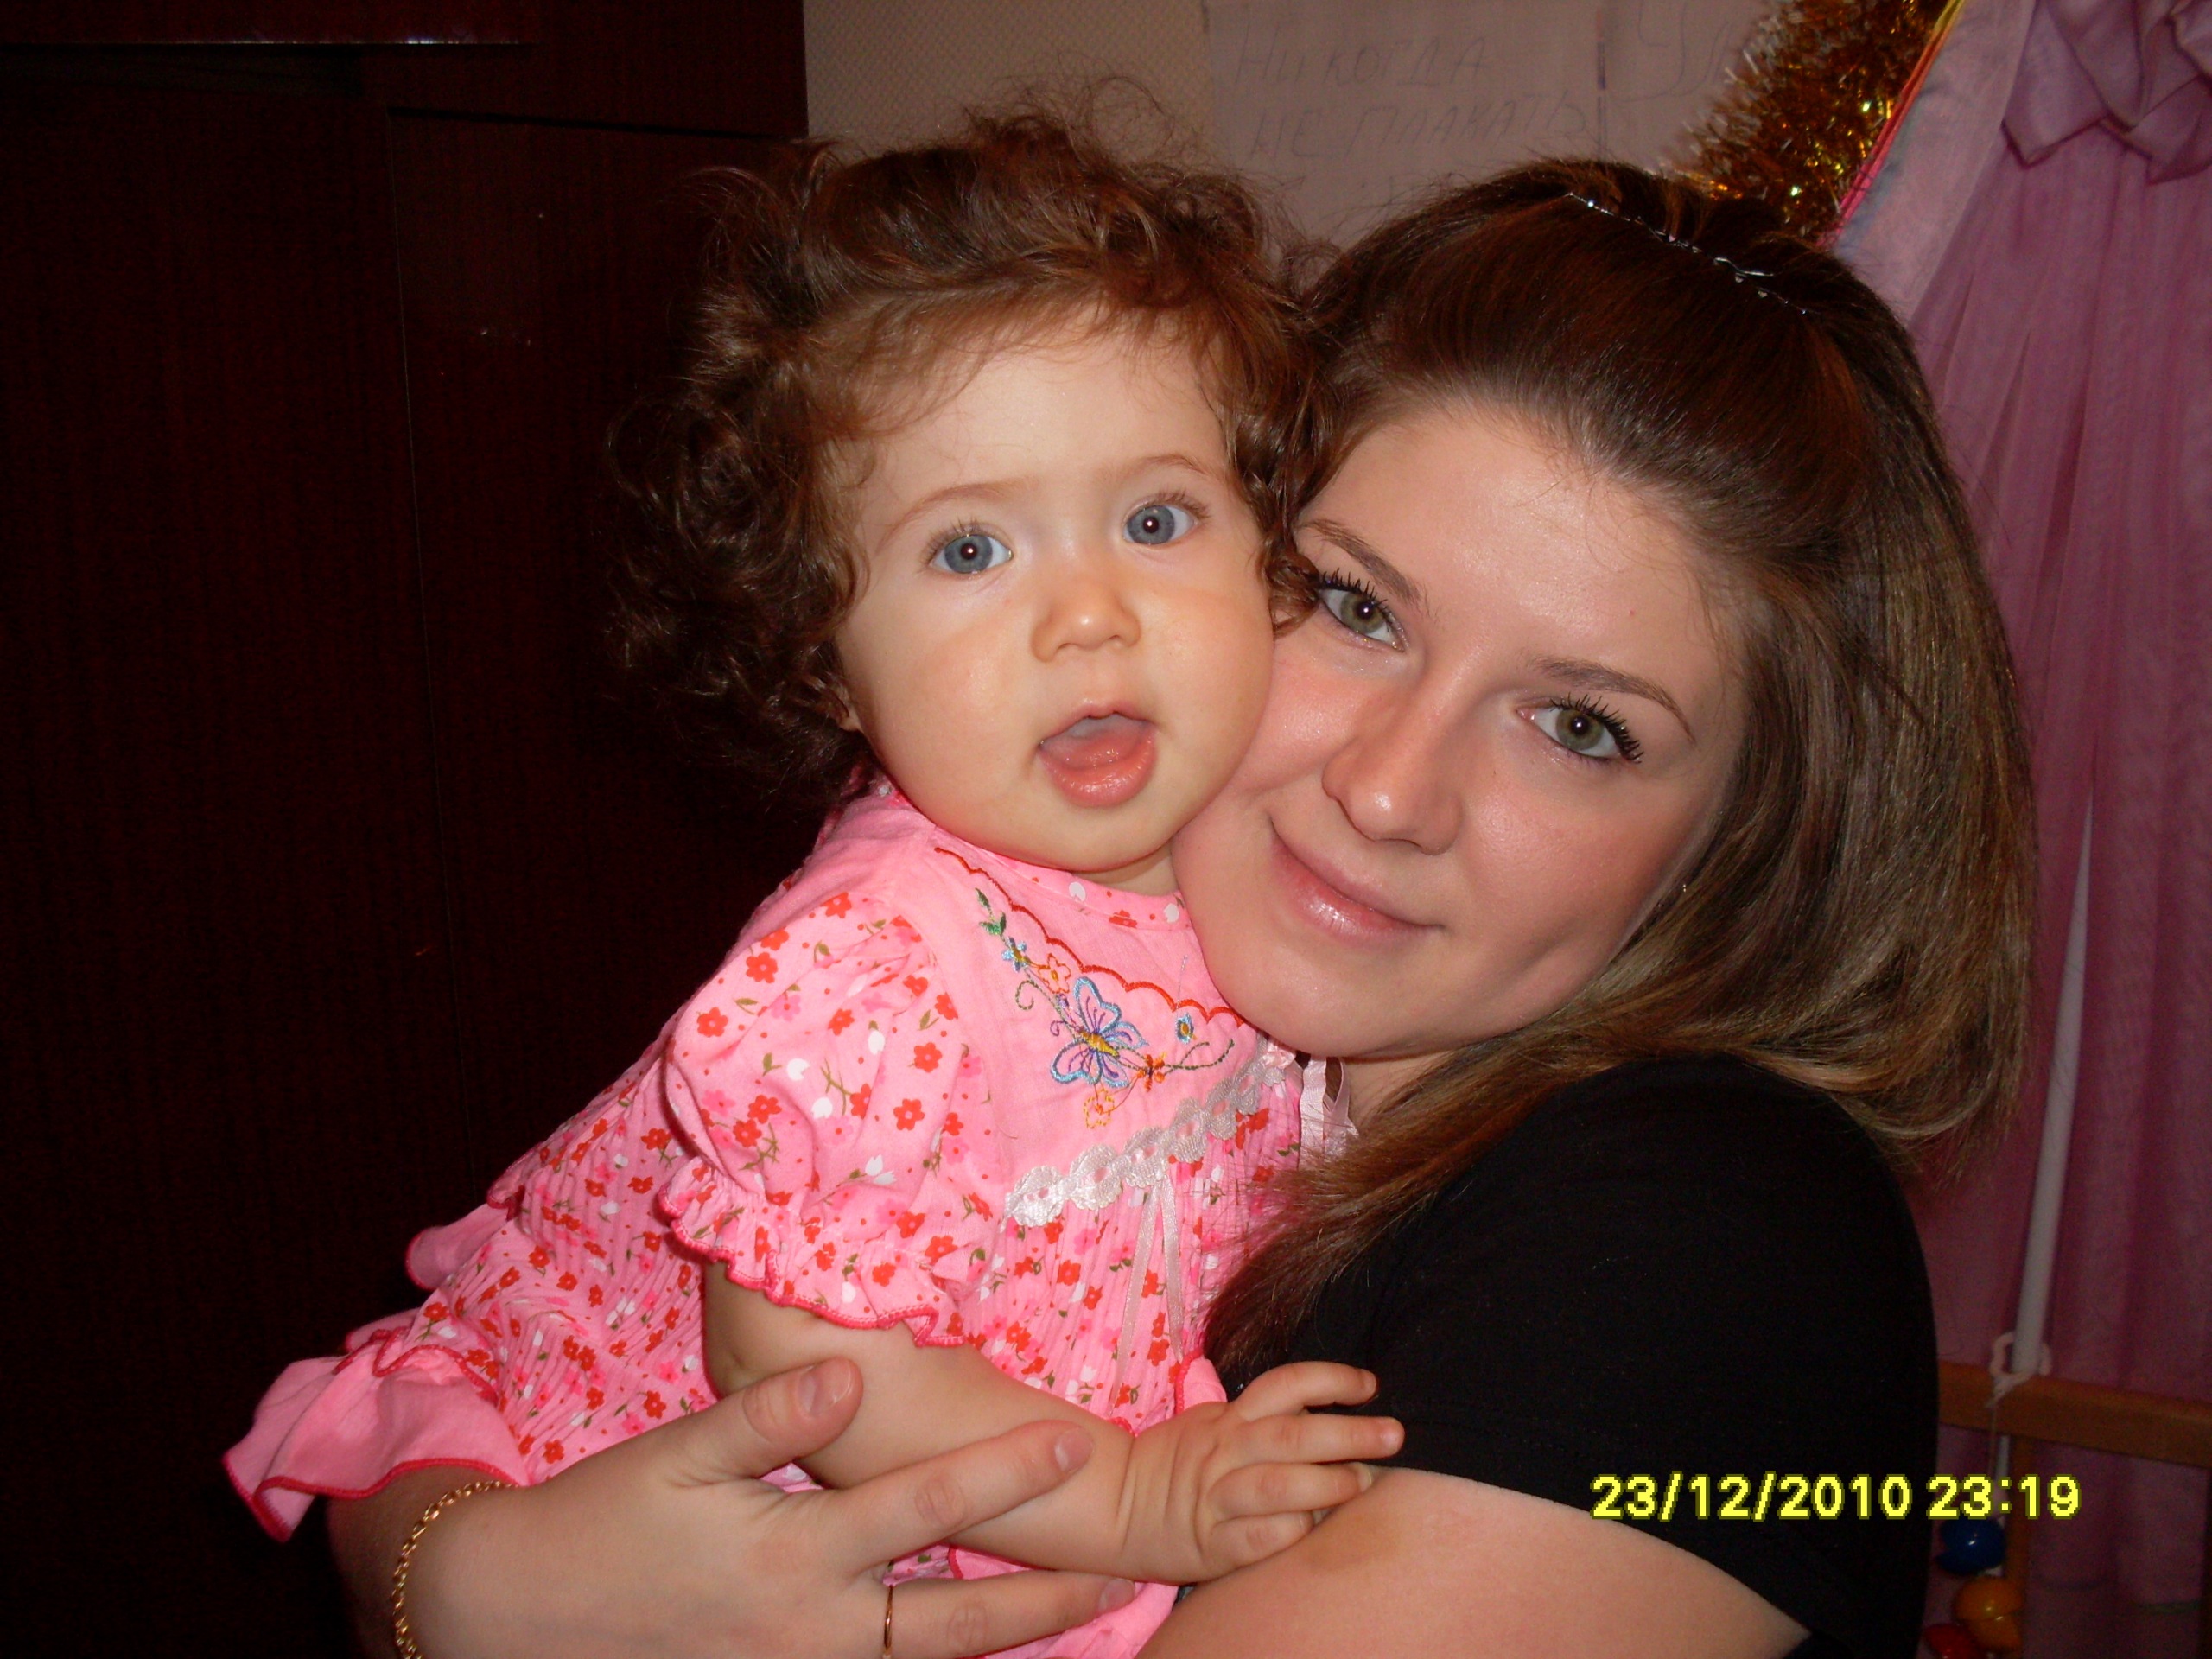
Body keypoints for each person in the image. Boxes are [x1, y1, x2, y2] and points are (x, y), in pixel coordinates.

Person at [288, 156, 2033, 1659]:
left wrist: (449, 1591)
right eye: (1352, 606)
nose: (1388, 792)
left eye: (1579, 727)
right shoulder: (1029, 961)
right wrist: (459, 1576)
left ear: (1748, 835)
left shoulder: (1712, 1248)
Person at [226, 114, 1402, 1659]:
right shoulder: (874, 968)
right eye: (969, 551)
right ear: (826, 662)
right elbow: (801, 1357)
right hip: (745, 1517)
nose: (1088, 614)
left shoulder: (1240, 851)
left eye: (1155, 519)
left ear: (1273, 556)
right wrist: (1133, 1496)